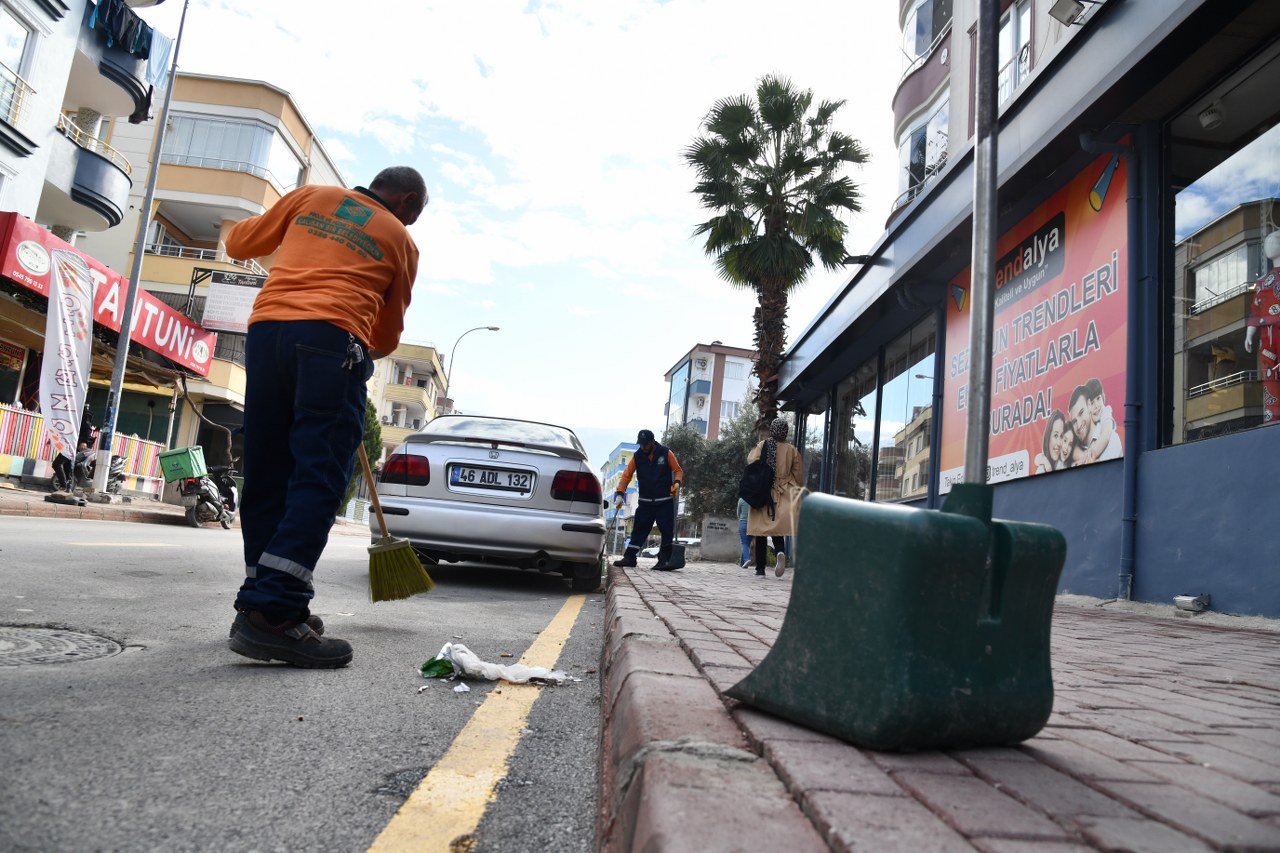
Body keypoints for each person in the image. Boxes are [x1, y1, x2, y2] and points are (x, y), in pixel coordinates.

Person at [224, 166, 426, 669]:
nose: (413, 223)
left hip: (268, 333)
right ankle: (272, 614)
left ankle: (266, 597)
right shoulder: (399, 239)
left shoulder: (311, 196)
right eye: (416, 214)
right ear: (404, 201)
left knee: (268, 472)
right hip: (331, 341)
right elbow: (385, 336)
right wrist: (351, 361)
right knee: (317, 478)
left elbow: (239, 243)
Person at [611, 429, 683, 571]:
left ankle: (664, 561)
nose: (642, 447)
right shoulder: (637, 457)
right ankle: (630, 557)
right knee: (639, 529)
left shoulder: (666, 453)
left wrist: (677, 483)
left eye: (645, 444)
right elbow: (626, 476)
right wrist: (620, 493)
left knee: (666, 530)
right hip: (645, 502)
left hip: (665, 500)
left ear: (652, 442)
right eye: (641, 444)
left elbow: (677, 470)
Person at [746, 417, 804, 578]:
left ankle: (760, 570)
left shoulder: (763, 445)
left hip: (763, 491)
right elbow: (798, 475)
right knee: (777, 530)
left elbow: (751, 462)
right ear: (785, 432)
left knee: (760, 530)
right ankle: (780, 551)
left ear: (772, 429)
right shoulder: (792, 450)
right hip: (783, 491)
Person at [1245, 230, 1280, 424]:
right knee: (1269, 372)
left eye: (1273, 241)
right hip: (1266, 334)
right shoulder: (1261, 283)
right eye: (1267, 242)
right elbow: (1255, 310)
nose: (1268, 245)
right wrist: (1250, 334)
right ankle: (1272, 416)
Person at [1068, 382, 1121, 465]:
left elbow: (1106, 473)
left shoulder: (1112, 438)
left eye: (1081, 413)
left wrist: (1090, 459)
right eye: (1074, 421)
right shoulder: (1072, 447)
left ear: (1088, 405)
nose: (1078, 426)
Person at [736, 496, 752, 568]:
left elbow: (738, 513)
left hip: (743, 522)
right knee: (747, 544)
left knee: (744, 543)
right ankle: (742, 563)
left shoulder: (741, 499)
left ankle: (747, 559)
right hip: (752, 523)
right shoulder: (754, 499)